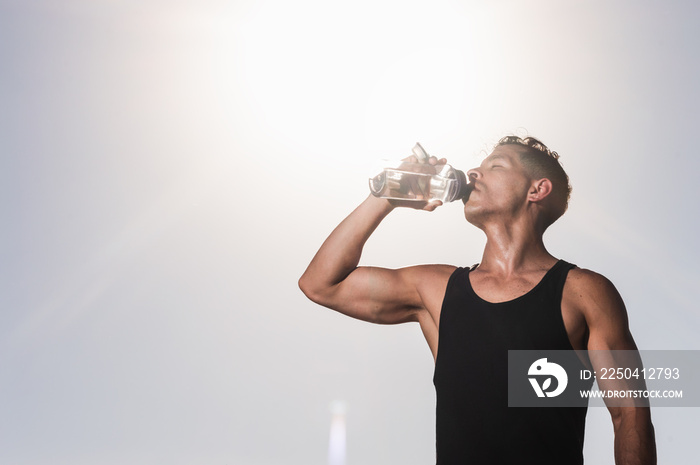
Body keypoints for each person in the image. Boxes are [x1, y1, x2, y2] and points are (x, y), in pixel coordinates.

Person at [298, 136, 656, 464]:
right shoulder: (436, 289)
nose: (473, 173)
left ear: (537, 189)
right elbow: (321, 284)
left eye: (496, 166)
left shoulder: (584, 292)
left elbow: (631, 414)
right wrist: (387, 193)